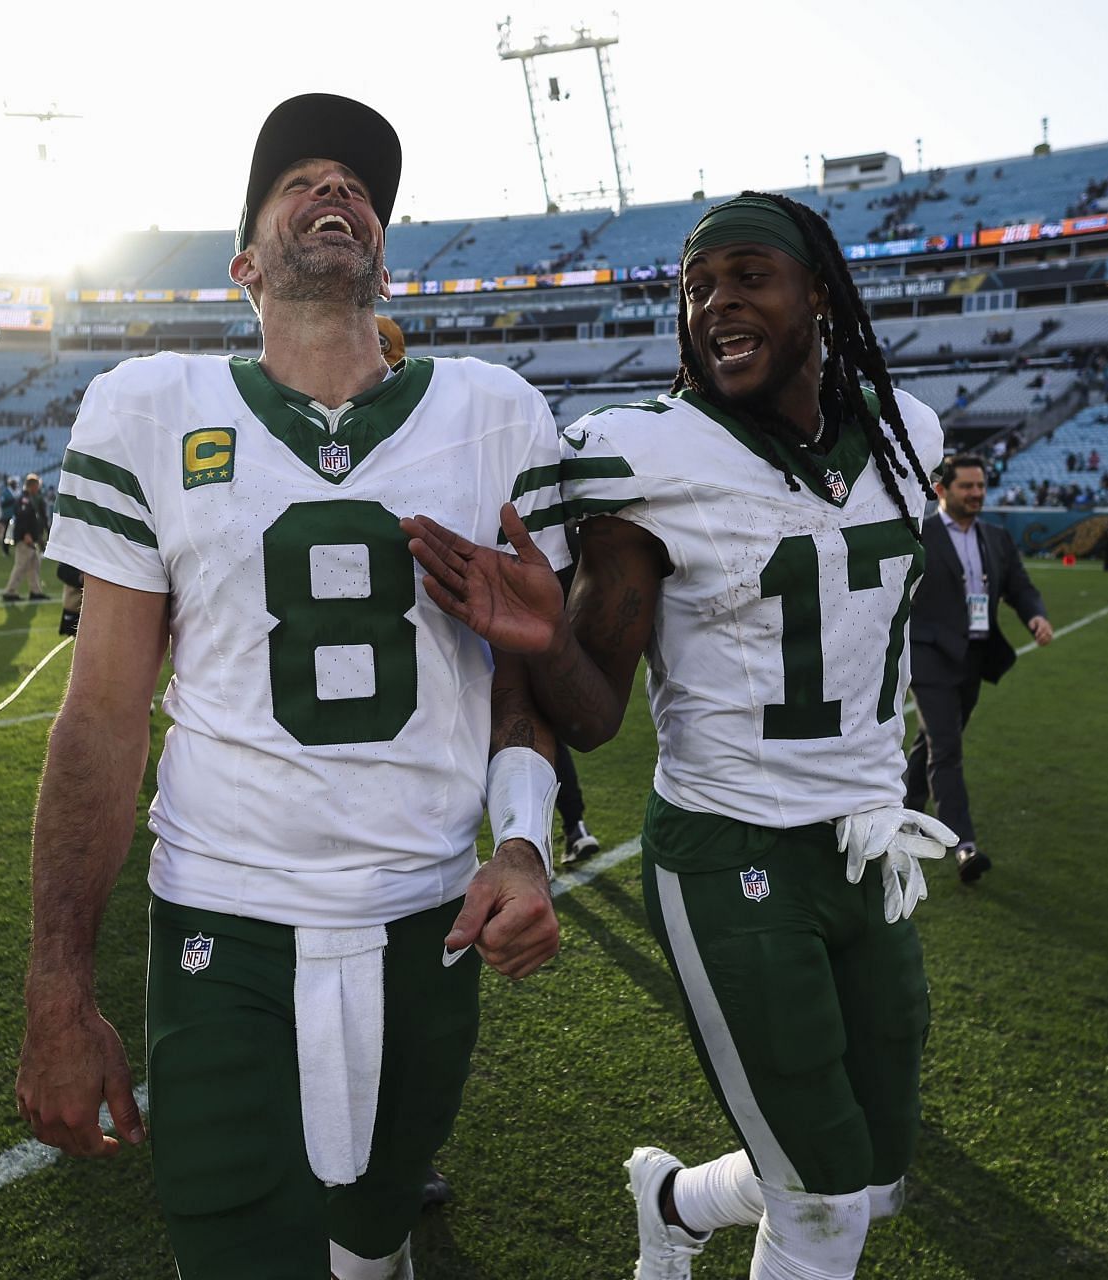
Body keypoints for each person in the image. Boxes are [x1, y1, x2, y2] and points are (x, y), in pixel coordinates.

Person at [14, 93, 568, 1279]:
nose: (337, 192)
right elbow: (103, 716)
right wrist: (60, 986)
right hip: (226, 918)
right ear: (247, 263)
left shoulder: (497, 415)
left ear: (381, 253)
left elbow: (522, 679)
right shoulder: (150, 410)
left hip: (426, 917)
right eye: (300, 182)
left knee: (370, 1253)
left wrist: (522, 840)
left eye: (360, 187)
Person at [404, 190, 952, 1279]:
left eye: (749, 275)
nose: (716, 303)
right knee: (824, 1204)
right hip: (733, 851)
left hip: (866, 846)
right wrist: (543, 635)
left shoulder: (908, 435)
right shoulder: (643, 451)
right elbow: (595, 713)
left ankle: (673, 1198)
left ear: (820, 295)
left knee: (873, 1178)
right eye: (698, 286)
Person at [902, 453, 1049, 883]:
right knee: (947, 748)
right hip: (929, 655)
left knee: (933, 742)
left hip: (974, 656)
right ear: (941, 490)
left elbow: (1021, 586)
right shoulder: (919, 535)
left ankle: (905, 812)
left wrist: (1035, 616)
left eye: (981, 486)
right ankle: (963, 845)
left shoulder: (997, 538)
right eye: (967, 486)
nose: (977, 494)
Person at [1, 473, 50, 602]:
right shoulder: (24, 499)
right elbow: (22, 517)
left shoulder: (30, 498)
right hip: (25, 538)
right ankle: (10, 591)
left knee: (34, 565)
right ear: (32, 486)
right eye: (37, 486)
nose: (38, 488)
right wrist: (26, 534)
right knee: (21, 565)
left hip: (31, 537)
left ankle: (35, 591)